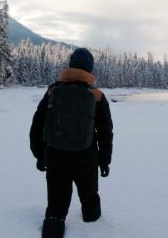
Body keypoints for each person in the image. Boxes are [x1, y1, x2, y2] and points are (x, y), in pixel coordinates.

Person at [29, 48, 114, 238]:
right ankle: (94, 229)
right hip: (87, 159)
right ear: (89, 68)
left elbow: (37, 125)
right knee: (90, 199)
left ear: (71, 65)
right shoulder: (97, 95)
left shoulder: (53, 91)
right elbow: (105, 133)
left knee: (56, 205)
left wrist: (40, 155)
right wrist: (104, 161)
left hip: (55, 156)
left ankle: (53, 228)